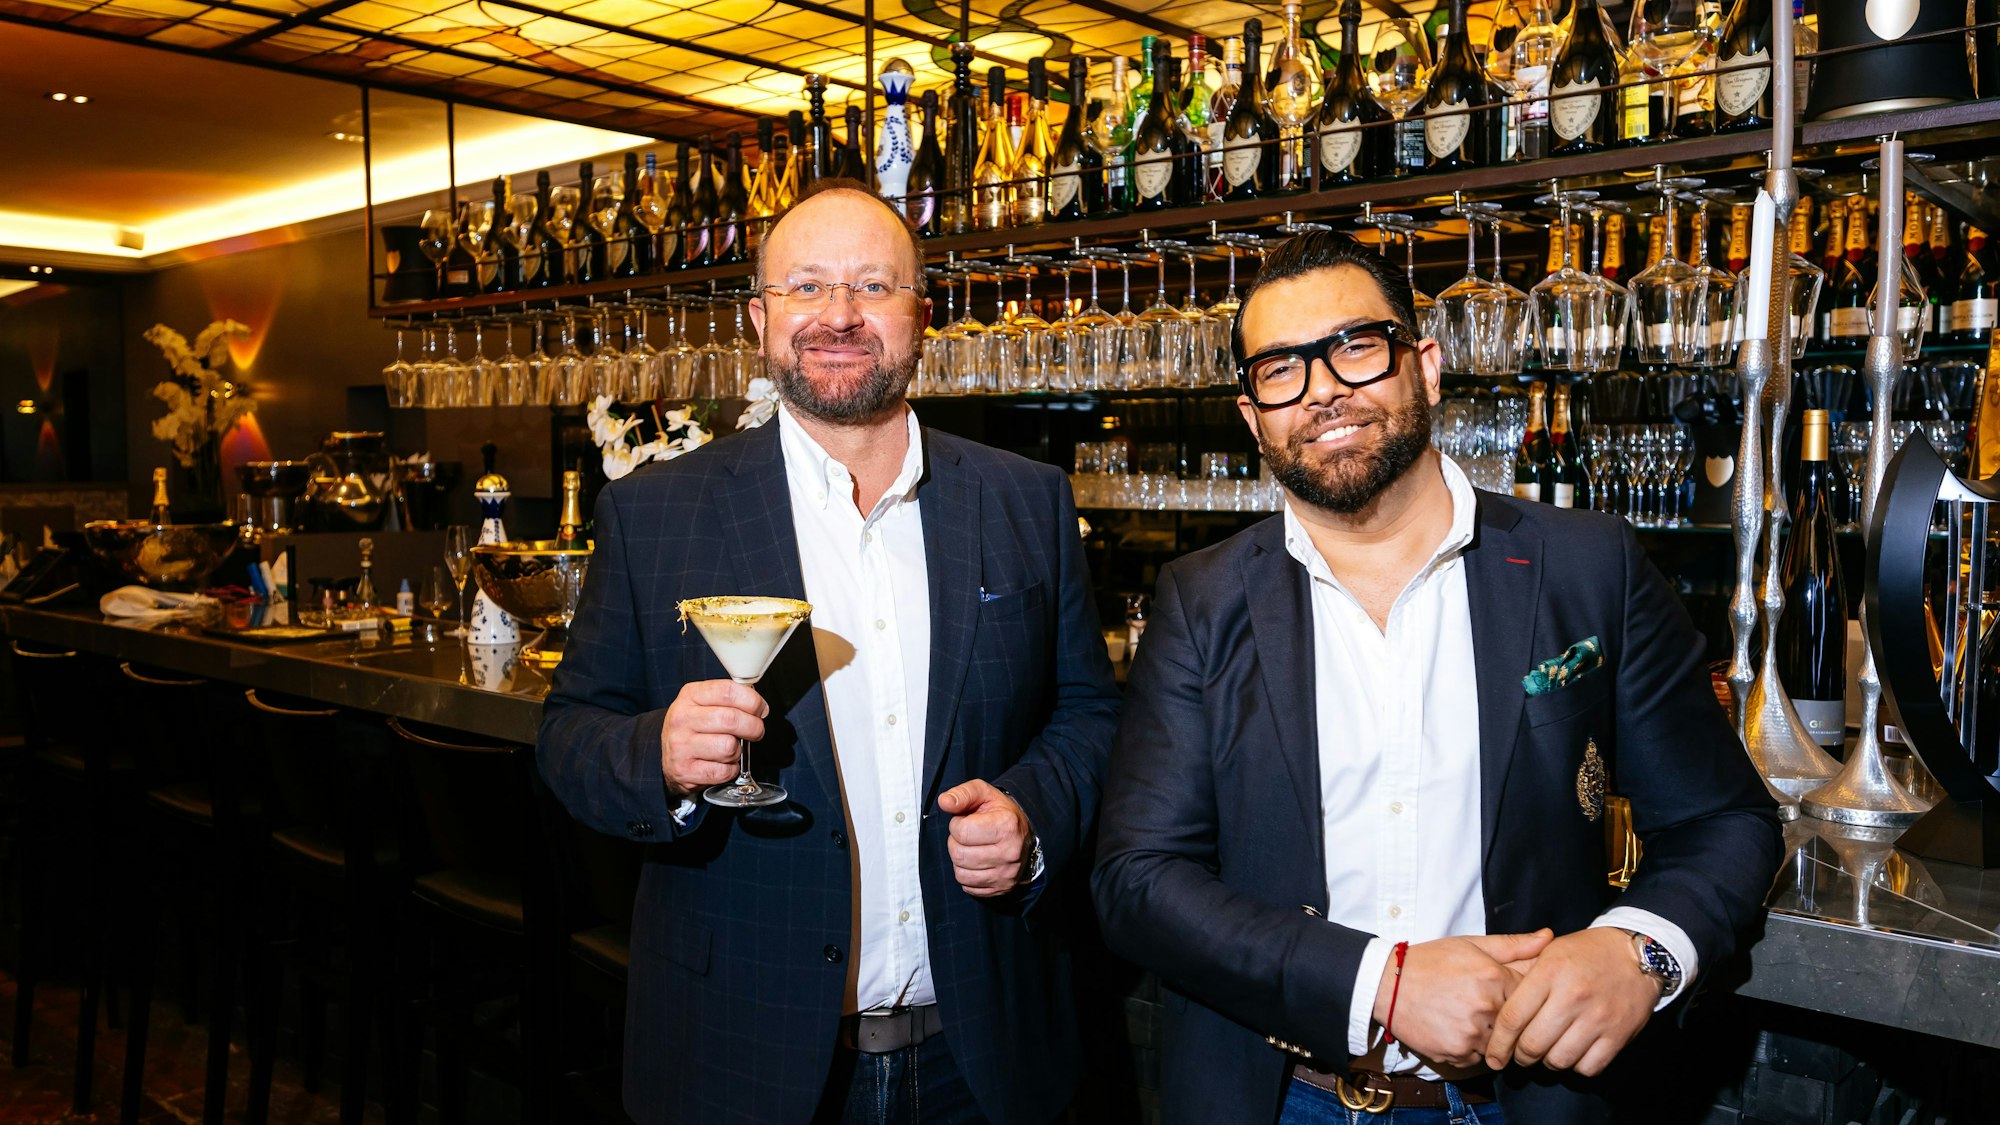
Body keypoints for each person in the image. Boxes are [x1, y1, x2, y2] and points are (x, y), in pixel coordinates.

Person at [1092, 230, 1782, 1124]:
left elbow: (1724, 821)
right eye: (1280, 370)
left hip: (1523, 1098)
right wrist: (1382, 981)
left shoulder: (1588, 567)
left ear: (1426, 363)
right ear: (1250, 415)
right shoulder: (1200, 599)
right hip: (1277, 1095)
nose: (1324, 390)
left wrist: (1638, 951)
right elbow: (1138, 879)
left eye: (1354, 347)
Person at [539, 178, 1120, 1125]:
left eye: (872, 287)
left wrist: (1034, 811)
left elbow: (1091, 713)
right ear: (762, 321)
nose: (839, 315)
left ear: (922, 316)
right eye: (806, 287)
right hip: (742, 1049)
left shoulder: (1026, 499)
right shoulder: (653, 513)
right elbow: (568, 736)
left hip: (984, 1054)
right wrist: (657, 756)